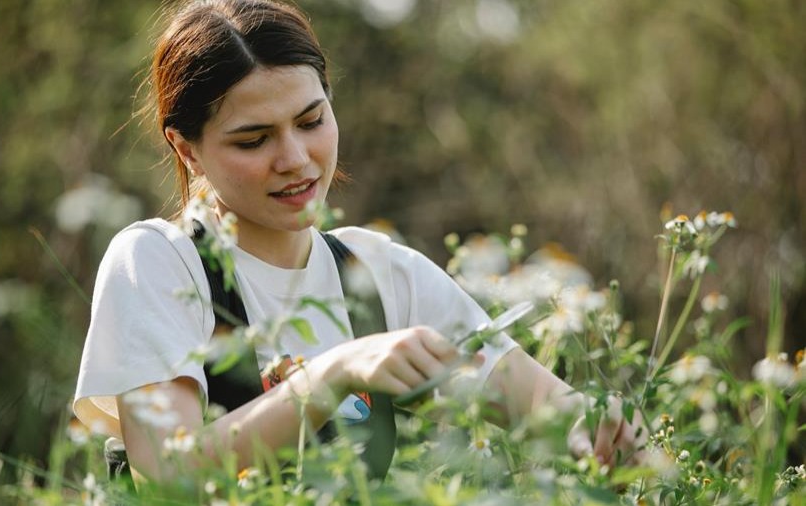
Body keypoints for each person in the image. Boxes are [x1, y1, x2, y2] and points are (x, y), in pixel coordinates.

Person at [73, 0, 647, 490]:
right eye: (253, 140)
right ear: (187, 149)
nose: (295, 159)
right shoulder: (158, 263)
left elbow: (545, 409)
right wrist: (333, 374)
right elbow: (172, 475)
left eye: (311, 120)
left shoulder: (377, 272)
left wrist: (596, 425)